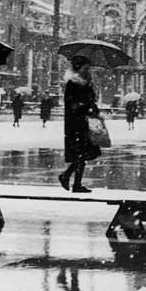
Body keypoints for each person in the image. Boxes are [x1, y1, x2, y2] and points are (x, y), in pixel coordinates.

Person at [58, 55, 101, 193]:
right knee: (80, 154)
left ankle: (73, 181)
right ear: (79, 68)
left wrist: (92, 103)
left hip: (85, 123)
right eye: (86, 68)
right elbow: (72, 104)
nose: (88, 70)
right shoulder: (73, 83)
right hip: (76, 124)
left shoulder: (86, 83)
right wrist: (86, 105)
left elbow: (89, 100)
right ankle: (68, 178)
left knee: (83, 155)